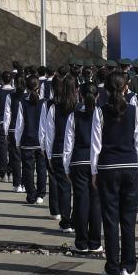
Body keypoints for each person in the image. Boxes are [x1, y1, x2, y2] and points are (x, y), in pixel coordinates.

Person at [91, 72, 138, 275]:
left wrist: (94, 171)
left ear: (106, 89)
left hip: (107, 167)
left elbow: (96, 145)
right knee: (129, 220)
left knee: (110, 219)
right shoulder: (135, 111)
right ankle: (128, 267)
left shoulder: (100, 111)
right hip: (129, 166)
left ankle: (112, 267)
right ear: (126, 87)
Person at [64, 82, 103, 253]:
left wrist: (66, 167)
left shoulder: (73, 116)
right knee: (96, 202)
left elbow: (68, 144)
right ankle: (95, 243)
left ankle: (81, 242)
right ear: (98, 96)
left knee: (80, 202)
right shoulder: (101, 113)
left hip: (78, 161)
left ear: (79, 95)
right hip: (98, 161)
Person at [42, 74, 77, 232]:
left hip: (58, 151)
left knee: (63, 188)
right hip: (77, 154)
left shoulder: (54, 108)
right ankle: (78, 220)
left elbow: (49, 134)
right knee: (79, 190)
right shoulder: (80, 108)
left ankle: (66, 221)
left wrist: (49, 155)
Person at [13, 78, 47, 205]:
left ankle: (31, 194)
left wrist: (17, 141)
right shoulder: (44, 102)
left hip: (27, 141)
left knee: (28, 170)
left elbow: (19, 124)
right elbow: (46, 124)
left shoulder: (23, 102)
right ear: (39, 88)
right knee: (41, 169)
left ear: (26, 88)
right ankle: (41, 194)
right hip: (41, 141)